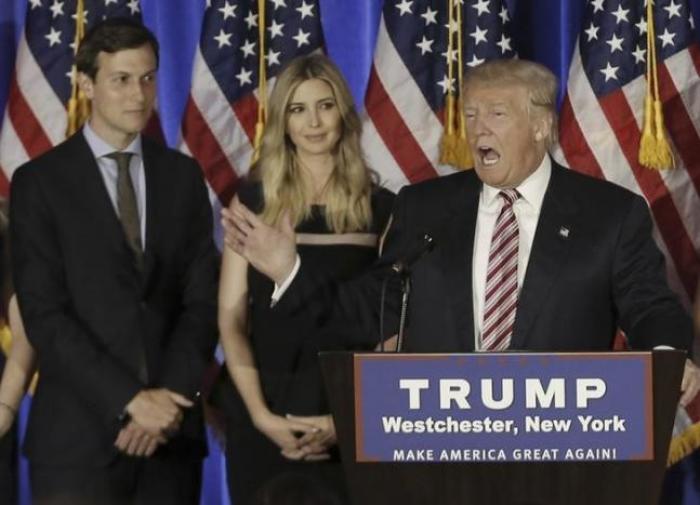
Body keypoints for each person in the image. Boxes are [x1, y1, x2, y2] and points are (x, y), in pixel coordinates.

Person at [223, 58, 700, 405]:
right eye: (470, 114)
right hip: (444, 456)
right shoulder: (426, 208)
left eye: (496, 114)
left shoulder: (610, 214)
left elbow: (649, 304)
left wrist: (663, 358)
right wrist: (289, 269)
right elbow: (373, 310)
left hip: (562, 454)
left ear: (540, 125)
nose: (477, 129)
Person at [10, 18, 219, 505]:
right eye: (121, 79)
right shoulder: (39, 183)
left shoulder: (183, 177)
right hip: (78, 443)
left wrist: (166, 400)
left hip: (170, 442)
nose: (138, 94)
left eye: (147, 78)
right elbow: (44, 313)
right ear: (86, 84)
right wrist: (129, 401)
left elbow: (202, 301)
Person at [217, 54, 394, 504]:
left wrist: (350, 419)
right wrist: (260, 416)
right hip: (264, 414)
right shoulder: (253, 200)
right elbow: (232, 319)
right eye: (298, 109)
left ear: (343, 115)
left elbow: (390, 329)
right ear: (282, 121)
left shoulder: (385, 208)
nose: (313, 122)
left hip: (349, 418)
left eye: (325, 106)